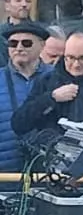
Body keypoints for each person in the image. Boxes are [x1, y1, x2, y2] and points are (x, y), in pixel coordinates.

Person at [0, 21, 50, 171]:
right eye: (13, 43)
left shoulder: (57, 78)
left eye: (26, 43)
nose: (19, 48)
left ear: (42, 46)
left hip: (49, 170)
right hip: (4, 171)